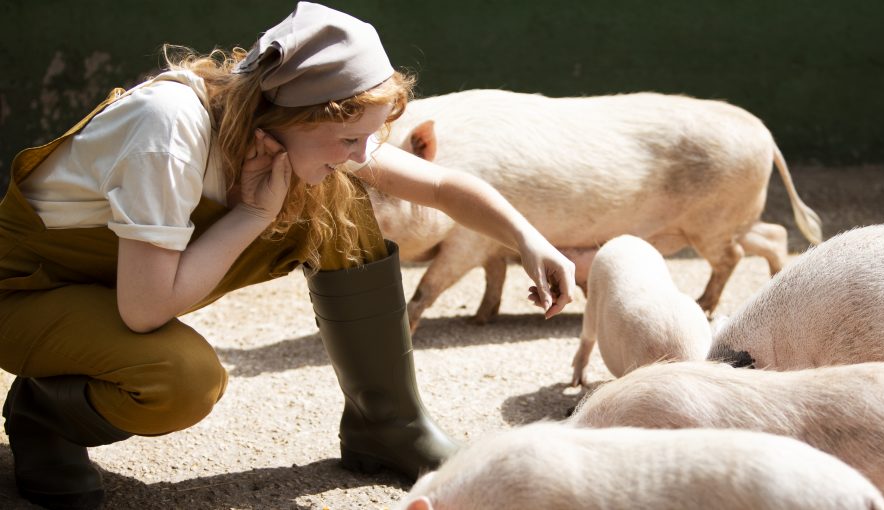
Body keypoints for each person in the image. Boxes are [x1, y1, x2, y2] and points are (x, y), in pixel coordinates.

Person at [0, 3, 575, 509]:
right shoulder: (168, 128)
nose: (361, 154)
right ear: (295, 117)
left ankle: (388, 425)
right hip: (28, 293)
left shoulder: (282, 128)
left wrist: (530, 240)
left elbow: (441, 185)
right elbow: (144, 310)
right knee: (180, 381)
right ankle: (45, 413)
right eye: (349, 139)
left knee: (339, 199)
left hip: (122, 284)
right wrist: (253, 216)